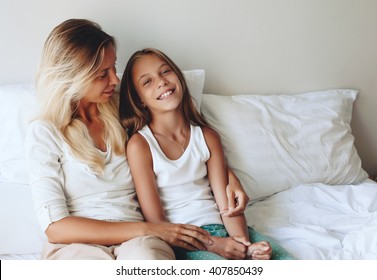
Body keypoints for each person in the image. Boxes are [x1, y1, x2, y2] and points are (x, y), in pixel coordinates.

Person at [25, 19, 248, 260]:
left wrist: (229, 177)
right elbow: (55, 227)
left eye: (114, 67)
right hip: (76, 245)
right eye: (102, 74)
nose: (115, 80)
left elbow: (180, 136)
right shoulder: (44, 132)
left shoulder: (123, 110)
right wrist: (151, 229)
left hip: (138, 243)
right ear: (72, 77)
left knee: (149, 260)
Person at [120, 48, 294, 260]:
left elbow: (227, 203)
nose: (161, 82)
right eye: (147, 81)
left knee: (282, 259)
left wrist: (242, 244)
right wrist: (214, 245)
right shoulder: (140, 145)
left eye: (165, 72)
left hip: (224, 232)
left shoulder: (207, 137)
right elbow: (157, 224)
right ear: (139, 100)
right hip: (183, 242)